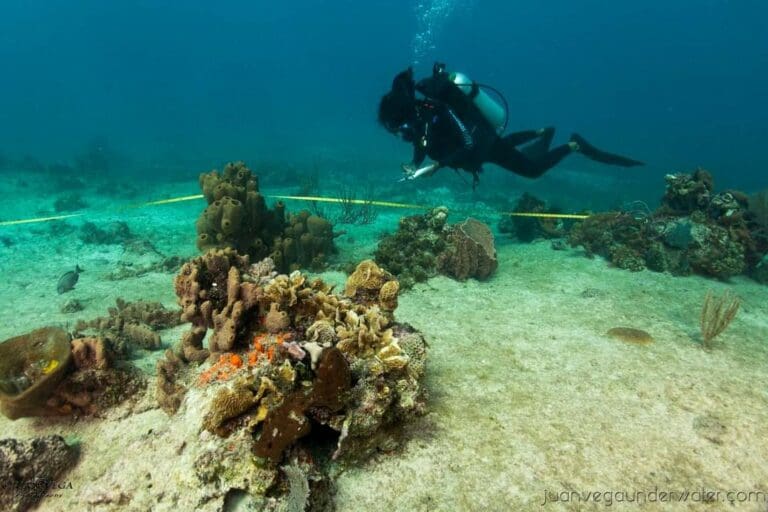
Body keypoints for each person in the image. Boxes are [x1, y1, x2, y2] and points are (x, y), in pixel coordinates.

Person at [378, 63, 644, 188]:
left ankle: (572, 146)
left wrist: (436, 166)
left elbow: (469, 142)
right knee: (510, 151)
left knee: (532, 170)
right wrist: (415, 164)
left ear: (403, 116)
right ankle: (544, 134)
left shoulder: (437, 110)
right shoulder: (421, 121)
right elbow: (422, 143)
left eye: (396, 127)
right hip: (485, 148)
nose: (398, 133)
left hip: (484, 145)